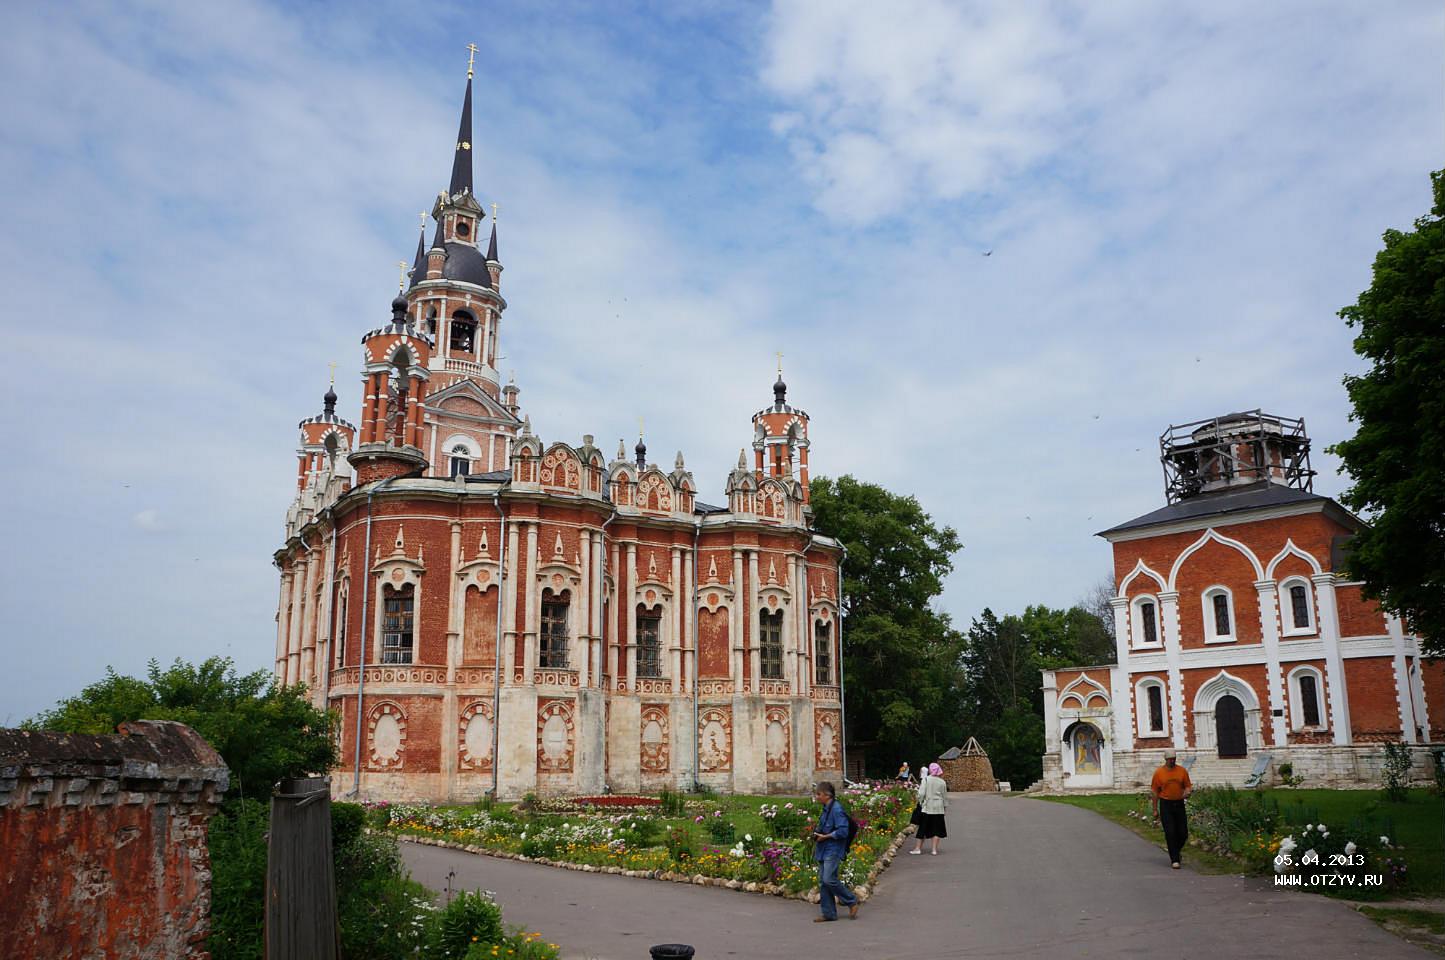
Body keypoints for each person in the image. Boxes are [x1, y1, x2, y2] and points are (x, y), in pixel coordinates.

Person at [811, 781, 859, 922]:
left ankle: (851, 901)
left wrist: (826, 836)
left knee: (829, 879)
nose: (817, 797)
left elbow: (843, 831)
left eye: (819, 794)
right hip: (823, 848)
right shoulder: (826, 808)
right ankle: (829, 913)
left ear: (827, 795)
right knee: (823, 882)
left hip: (833, 849)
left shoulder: (836, 809)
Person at [1150, 749, 1193, 869]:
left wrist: (1187, 792)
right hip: (1166, 804)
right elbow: (1155, 791)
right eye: (1170, 759)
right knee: (1170, 832)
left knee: (1183, 832)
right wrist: (1155, 809)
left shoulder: (1182, 771)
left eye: (1174, 759)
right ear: (1166, 759)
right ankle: (1175, 859)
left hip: (1179, 803)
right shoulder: (1159, 773)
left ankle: (1175, 850)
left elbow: (1188, 785)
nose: (1172, 761)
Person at [909, 762, 948, 855]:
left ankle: (918, 849)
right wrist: (944, 807)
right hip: (939, 807)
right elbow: (944, 796)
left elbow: (921, 794)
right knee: (937, 829)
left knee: (922, 827)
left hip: (927, 807)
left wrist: (920, 802)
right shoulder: (942, 782)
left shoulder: (926, 780)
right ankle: (934, 850)